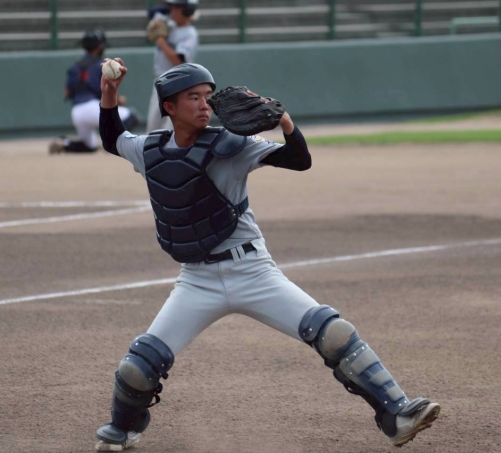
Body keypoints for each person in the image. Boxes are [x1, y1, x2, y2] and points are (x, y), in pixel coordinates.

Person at [93, 58, 441, 451]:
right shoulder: (151, 150)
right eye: (193, 97)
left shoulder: (231, 146)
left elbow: (299, 160)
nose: (205, 105)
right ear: (169, 107)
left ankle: (396, 413)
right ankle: (123, 429)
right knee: (139, 365)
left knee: (332, 333)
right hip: (197, 280)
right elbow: (112, 138)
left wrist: (284, 121)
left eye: (208, 96)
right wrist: (110, 92)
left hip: (252, 271)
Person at [49, 29, 139, 155]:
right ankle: (112, 144)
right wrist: (119, 100)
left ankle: (65, 143)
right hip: (94, 108)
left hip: (77, 112)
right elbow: (107, 90)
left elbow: (67, 92)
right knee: (131, 117)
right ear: (99, 47)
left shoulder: (75, 67)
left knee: (89, 146)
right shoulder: (100, 66)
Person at [145, 0, 199, 133]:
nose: (172, 11)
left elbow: (178, 61)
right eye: (172, 8)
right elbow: (151, 13)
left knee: (172, 129)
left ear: (187, 10)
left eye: (177, 8)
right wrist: (158, 17)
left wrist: (160, 40)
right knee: (153, 127)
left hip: (177, 84)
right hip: (160, 82)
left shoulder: (190, 33)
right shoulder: (169, 25)